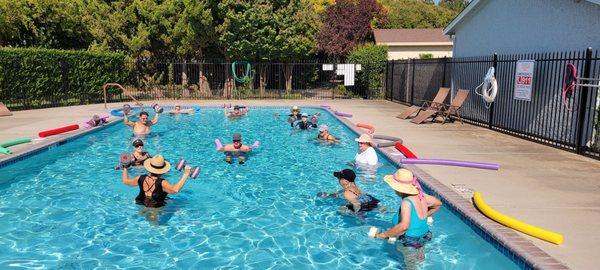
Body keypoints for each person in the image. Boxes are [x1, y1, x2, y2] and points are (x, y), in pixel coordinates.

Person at [374, 169, 442, 249]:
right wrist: (422, 218)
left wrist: (383, 235)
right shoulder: (421, 195)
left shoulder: (407, 202)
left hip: (410, 240)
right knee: (419, 259)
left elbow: (404, 226)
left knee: (411, 261)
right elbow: (438, 204)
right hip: (426, 235)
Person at [121, 155, 193, 221]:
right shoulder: (162, 182)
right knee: (155, 225)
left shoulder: (140, 178)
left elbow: (125, 181)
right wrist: (186, 174)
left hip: (140, 203)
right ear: (162, 170)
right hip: (155, 208)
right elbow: (175, 189)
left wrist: (125, 167)